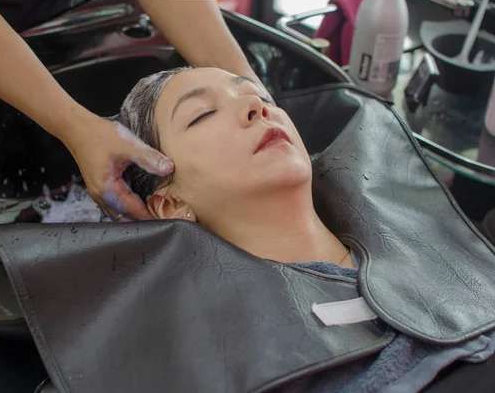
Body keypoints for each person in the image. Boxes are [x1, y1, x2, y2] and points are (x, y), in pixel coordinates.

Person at [116, 65, 495, 392]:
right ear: (171, 204)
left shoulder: (426, 239)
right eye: (202, 114)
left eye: (258, 94)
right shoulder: (234, 357)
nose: (256, 107)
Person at [0, 0, 263, 221]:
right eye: (200, 115)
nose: (255, 114)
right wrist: (75, 128)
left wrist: (248, 87)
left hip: (73, 16)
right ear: (167, 206)